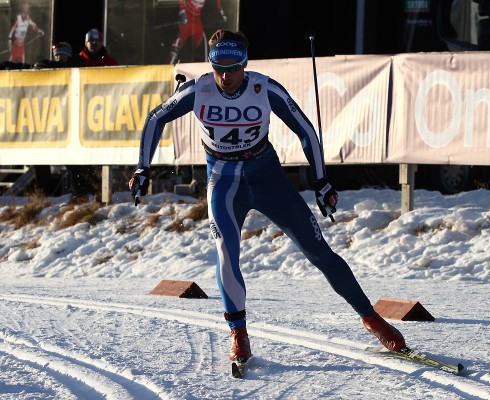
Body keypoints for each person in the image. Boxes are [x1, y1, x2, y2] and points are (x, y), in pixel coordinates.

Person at [129, 29, 406, 363]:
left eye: (233, 68)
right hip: (223, 181)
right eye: (219, 68)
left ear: (246, 64)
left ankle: (371, 318)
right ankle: (239, 335)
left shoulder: (264, 87)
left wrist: (321, 182)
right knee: (226, 253)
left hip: (267, 176)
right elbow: (155, 117)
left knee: (318, 251)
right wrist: (142, 168)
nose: (226, 76)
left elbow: (306, 131)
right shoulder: (197, 89)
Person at [168, 0, 227, 64]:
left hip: (198, 24)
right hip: (186, 22)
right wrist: (181, 11)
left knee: (204, 53)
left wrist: (221, 11)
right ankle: (166, 71)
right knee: (175, 51)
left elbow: (217, 3)